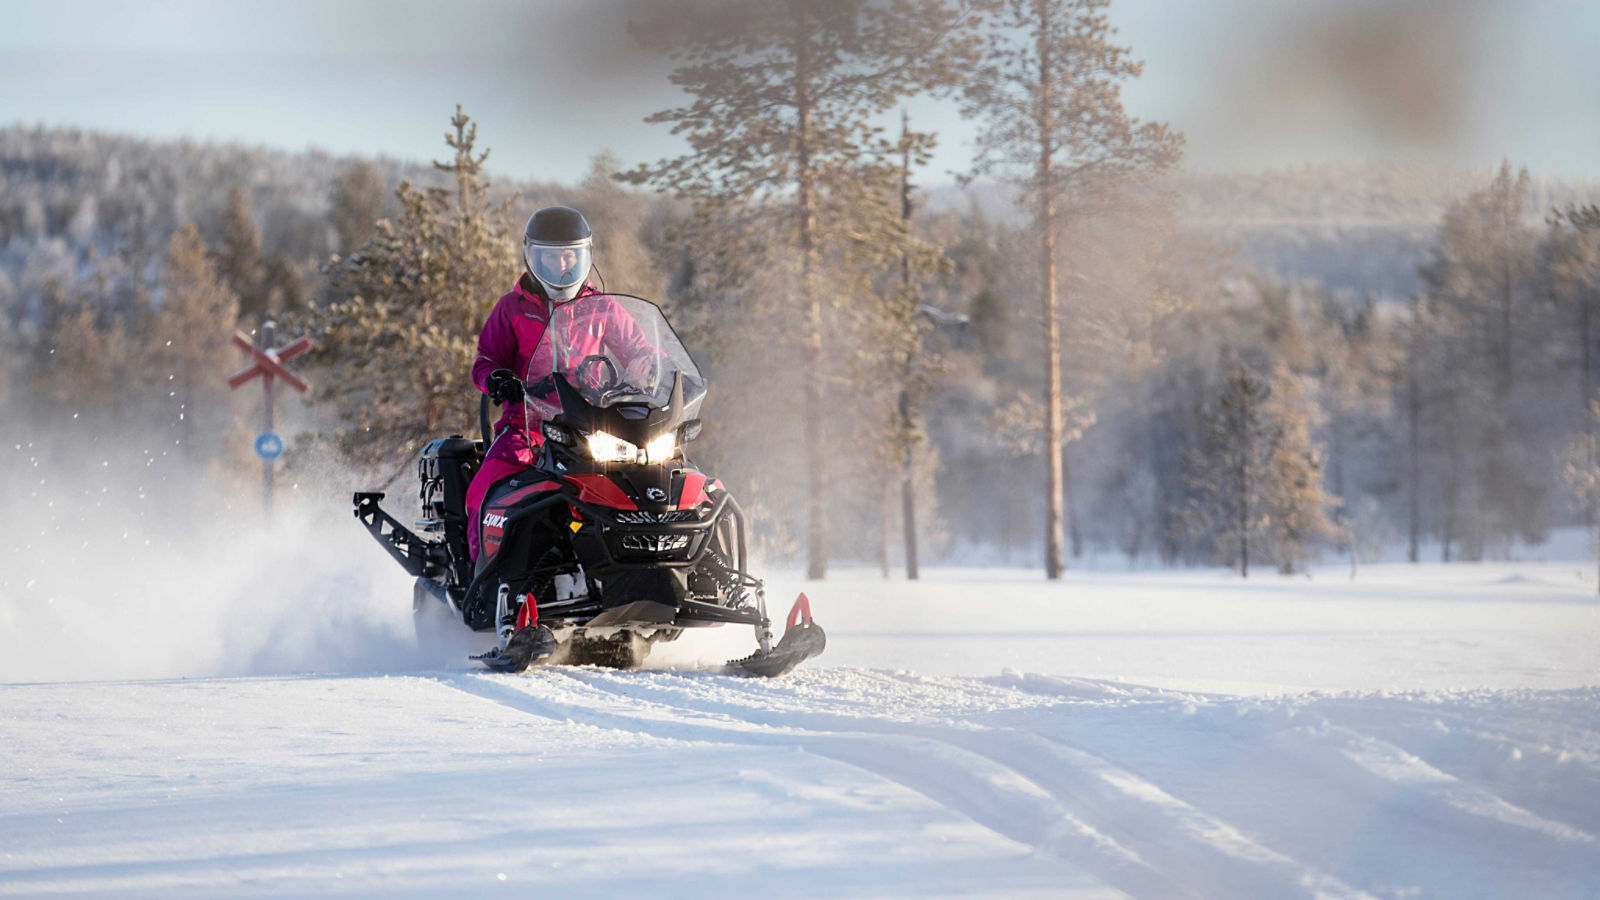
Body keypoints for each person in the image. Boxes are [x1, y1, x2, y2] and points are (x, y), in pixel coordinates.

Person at [466, 205, 597, 564]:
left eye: (570, 254)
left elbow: (640, 351)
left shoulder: (602, 310)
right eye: (550, 257)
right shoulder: (513, 308)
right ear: (532, 258)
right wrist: (497, 379)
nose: (562, 264)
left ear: (584, 255)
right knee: (484, 489)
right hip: (528, 427)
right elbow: (486, 360)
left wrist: (654, 368)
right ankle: (483, 578)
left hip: (596, 429)